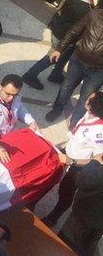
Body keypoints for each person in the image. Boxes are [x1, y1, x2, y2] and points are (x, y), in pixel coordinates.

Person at [23, 0, 103, 90]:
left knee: (64, 55)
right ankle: (30, 75)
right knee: (52, 57)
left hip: (61, 29)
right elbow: (80, 27)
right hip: (63, 35)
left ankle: (56, 74)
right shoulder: (83, 5)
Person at [42, 92, 103, 227]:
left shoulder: (99, 131)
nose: (86, 98)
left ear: (91, 106)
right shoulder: (88, 115)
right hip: (68, 154)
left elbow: (98, 160)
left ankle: (53, 218)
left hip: (77, 167)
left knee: (65, 193)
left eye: (89, 98)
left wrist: (72, 161)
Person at [46, 9, 103, 125]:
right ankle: (57, 108)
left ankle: (75, 123)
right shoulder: (94, 14)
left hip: (98, 70)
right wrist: (59, 49)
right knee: (66, 86)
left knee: (86, 98)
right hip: (78, 61)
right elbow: (74, 31)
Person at [59, 155, 103, 256]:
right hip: (99, 223)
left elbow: (82, 181)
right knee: (87, 247)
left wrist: (94, 163)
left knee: (65, 246)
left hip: (84, 216)